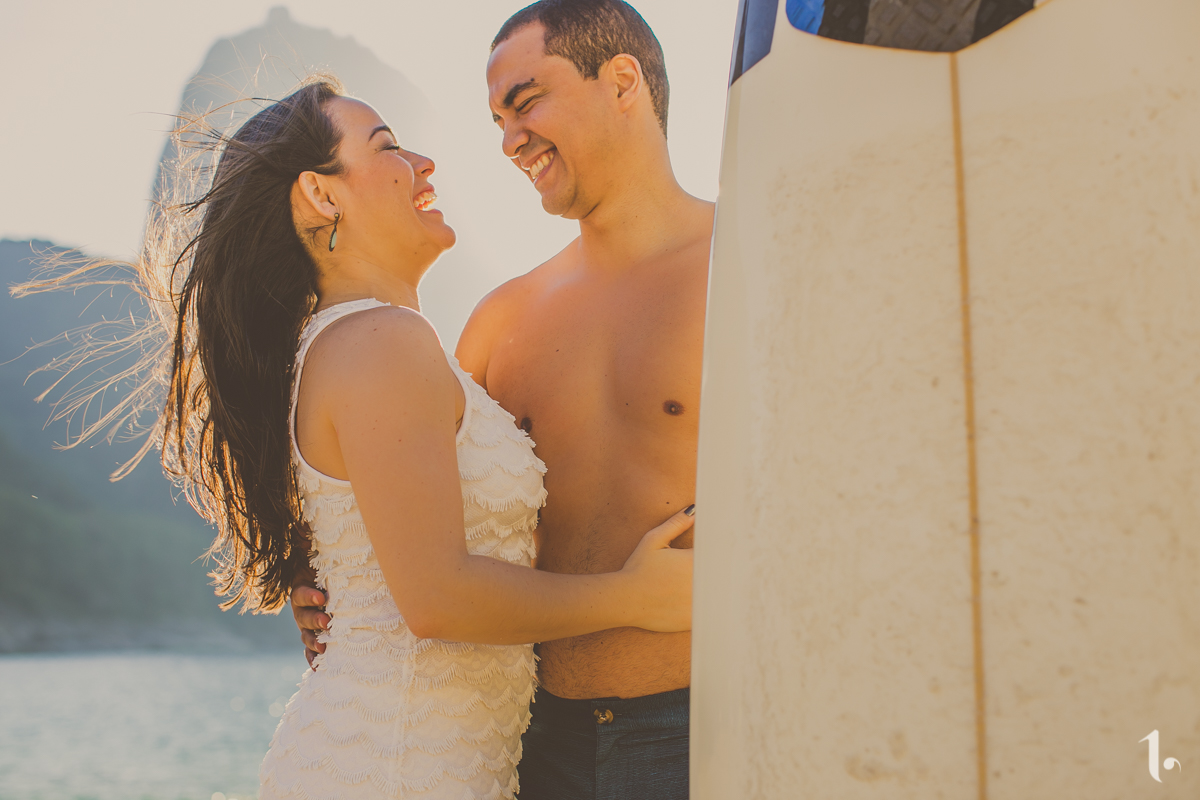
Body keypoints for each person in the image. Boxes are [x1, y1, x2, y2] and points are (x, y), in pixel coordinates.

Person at [22, 77, 695, 798]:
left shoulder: (364, 345)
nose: (423, 163)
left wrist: (331, 585)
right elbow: (437, 598)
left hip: (425, 758)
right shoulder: (381, 340)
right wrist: (633, 598)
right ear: (322, 196)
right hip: (394, 764)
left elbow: (385, 549)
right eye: (387, 147)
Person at [288, 2, 714, 798]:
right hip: (529, 745)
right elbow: (409, 498)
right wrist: (320, 585)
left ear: (623, 81)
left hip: (703, 729)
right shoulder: (501, 319)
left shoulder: (748, 265)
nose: (509, 138)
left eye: (526, 102)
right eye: (496, 118)